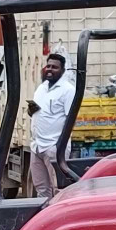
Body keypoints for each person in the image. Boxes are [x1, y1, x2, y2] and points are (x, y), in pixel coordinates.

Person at [26, 52, 75, 198]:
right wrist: (31, 111)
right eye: (48, 66)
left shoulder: (68, 90)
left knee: (58, 190)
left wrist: (59, 146)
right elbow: (35, 114)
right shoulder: (42, 88)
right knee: (41, 189)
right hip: (37, 147)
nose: (50, 69)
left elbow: (70, 119)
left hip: (54, 148)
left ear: (62, 70)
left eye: (54, 67)